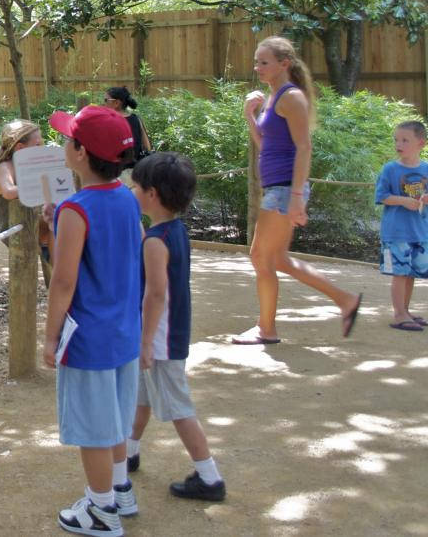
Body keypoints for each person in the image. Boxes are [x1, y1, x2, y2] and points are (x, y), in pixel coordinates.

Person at [43, 105, 142, 536]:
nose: (63, 144)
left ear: (81, 153)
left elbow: (63, 282)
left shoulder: (76, 209)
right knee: (115, 418)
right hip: (124, 333)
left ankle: (101, 510)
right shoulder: (126, 197)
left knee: (93, 429)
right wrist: (58, 222)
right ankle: (119, 490)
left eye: (68, 139)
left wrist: (49, 338)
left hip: (88, 338)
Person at [234, 36, 362, 345]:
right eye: (256, 62)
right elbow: (267, 146)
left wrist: (296, 200)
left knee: (262, 257)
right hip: (277, 188)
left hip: (285, 190)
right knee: (276, 259)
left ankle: (267, 329)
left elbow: (305, 148)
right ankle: (345, 300)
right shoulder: (274, 97)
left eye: (264, 62)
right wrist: (249, 115)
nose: (258, 67)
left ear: (284, 64)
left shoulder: (291, 98)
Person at [125, 151, 227, 502]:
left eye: (135, 186)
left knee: (178, 407)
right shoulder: (171, 231)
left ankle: (209, 477)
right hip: (166, 332)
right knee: (141, 395)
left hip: (159, 337)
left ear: (151, 194)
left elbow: (154, 295)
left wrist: (144, 343)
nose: (131, 190)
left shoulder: (156, 241)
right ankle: (129, 452)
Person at [375, 120, 428, 331]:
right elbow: (382, 196)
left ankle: (405, 311)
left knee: (411, 273)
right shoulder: (390, 169)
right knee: (399, 273)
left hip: (420, 231)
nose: (400, 144)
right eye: (397, 140)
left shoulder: (426, 168)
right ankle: (398, 314)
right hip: (396, 232)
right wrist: (404, 200)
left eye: (405, 140)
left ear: (421, 143)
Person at [0, 119, 53, 283]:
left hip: (32, 225)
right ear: (20, 148)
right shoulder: (5, 167)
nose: (41, 147)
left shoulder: (29, 165)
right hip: (15, 229)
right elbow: (9, 192)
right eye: (37, 144)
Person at [105, 87, 152, 169]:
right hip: (135, 170)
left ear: (117, 103)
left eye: (106, 100)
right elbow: (147, 146)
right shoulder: (136, 118)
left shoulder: (109, 120)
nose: (104, 103)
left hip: (115, 172)